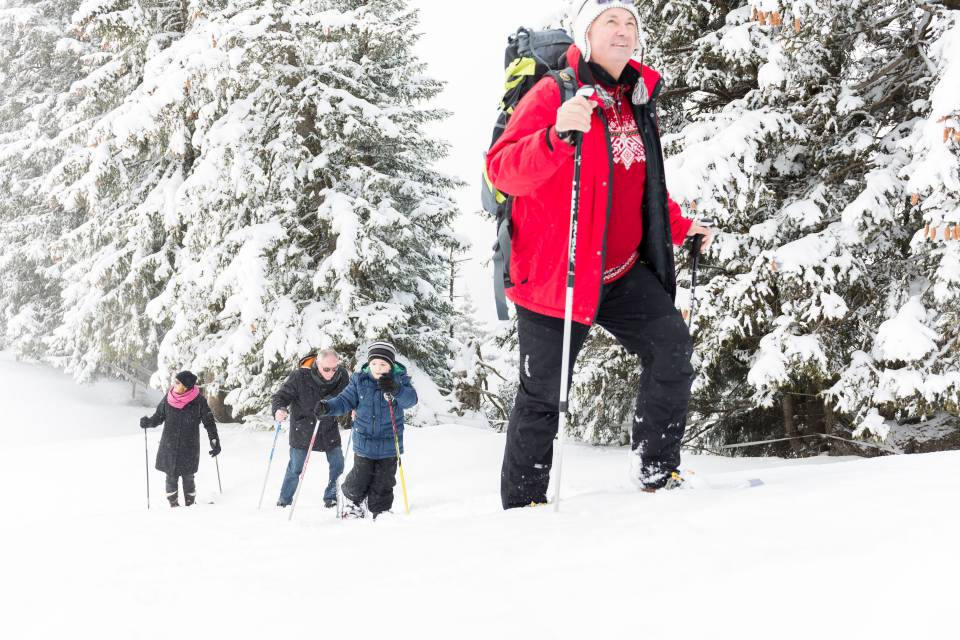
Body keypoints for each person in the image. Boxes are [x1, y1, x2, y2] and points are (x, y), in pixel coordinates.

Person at [485, 0, 716, 508]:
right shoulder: (555, 91)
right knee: (543, 397)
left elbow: (636, 182)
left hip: (620, 271)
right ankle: (523, 509)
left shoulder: (635, 98)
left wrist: (680, 226)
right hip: (556, 274)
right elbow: (501, 171)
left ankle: (656, 469)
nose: (623, 29)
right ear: (587, 33)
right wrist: (555, 135)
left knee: (672, 349)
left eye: (631, 22)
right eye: (610, 19)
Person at [314, 341, 417, 519]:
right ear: (368, 364)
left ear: (391, 365)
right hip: (364, 441)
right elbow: (344, 400)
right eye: (374, 363)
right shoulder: (360, 380)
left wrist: (396, 389)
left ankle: (380, 510)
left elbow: (411, 400)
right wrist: (328, 407)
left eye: (383, 364)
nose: (378, 368)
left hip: (390, 443)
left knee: (384, 481)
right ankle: (352, 501)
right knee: (360, 477)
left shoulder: (399, 380)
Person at [271, 349, 350, 508]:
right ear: (317, 364)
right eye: (326, 369)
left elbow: (347, 397)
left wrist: (353, 407)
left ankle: (331, 497)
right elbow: (280, 397)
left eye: (334, 369)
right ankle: (284, 500)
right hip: (303, 429)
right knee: (296, 467)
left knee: (338, 463)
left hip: (328, 428)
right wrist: (279, 409)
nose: (331, 373)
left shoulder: (342, 376)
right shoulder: (300, 376)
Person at [140, 371, 220, 507]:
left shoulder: (198, 401)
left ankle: (190, 504)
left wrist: (214, 440)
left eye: (178, 383)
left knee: (188, 477)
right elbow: (158, 417)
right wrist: (148, 422)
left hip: (189, 446)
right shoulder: (169, 398)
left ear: (186, 386)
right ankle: (173, 505)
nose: (174, 385)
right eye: (175, 382)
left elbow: (209, 422)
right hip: (169, 445)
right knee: (171, 476)